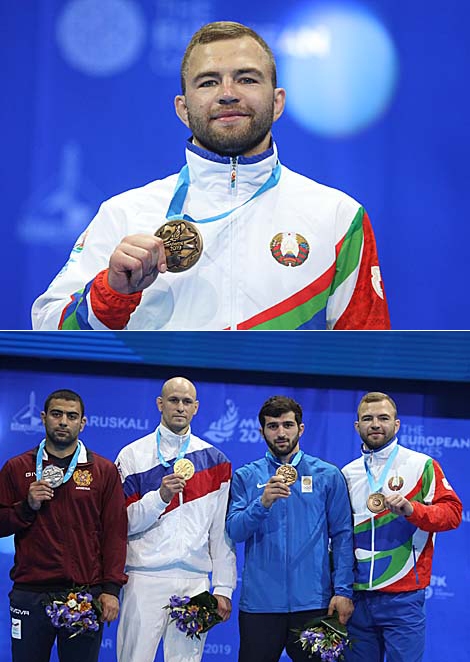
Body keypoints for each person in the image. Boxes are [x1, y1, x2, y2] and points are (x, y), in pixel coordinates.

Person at [31, 21, 390, 331]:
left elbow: (369, 352)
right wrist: (112, 292)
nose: (228, 94)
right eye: (208, 83)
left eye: (247, 79)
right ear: (183, 109)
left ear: (277, 102)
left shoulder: (338, 217)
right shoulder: (124, 214)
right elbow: (46, 328)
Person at [0, 389, 128, 662]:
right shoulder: (16, 467)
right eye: (56, 414)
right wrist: (26, 506)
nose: (63, 422)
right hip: (30, 594)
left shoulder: (103, 471)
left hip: (82, 594)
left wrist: (110, 590)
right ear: (44, 418)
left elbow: (115, 534)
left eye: (72, 416)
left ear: (83, 423)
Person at [115, 376, 237, 662]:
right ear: (160, 404)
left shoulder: (216, 460)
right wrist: (160, 497)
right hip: (144, 578)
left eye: (186, 402)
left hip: (194, 581)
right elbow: (122, 524)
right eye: (173, 400)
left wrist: (223, 587)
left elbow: (220, 532)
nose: (180, 407)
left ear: (196, 408)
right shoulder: (132, 455)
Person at [226, 395, 354, 662]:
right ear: (261, 431)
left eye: (287, 425)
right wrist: (261, 504)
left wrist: (342, 591)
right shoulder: (246, 476)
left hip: (315, 603)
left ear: (301, 428)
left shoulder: (328, 475)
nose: (281, 433)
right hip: (260, 605)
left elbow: (342, 536)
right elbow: (234, 532)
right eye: (273, 426)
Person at [342, 391, 462, 662]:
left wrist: (412, 509)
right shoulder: (347, 473)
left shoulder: (421, 465)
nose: (375, 424)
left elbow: (453, 514)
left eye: (383, 418)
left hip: (403, 597)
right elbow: (338, 537)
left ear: (397, 425)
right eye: (368, 418)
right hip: (357, 598)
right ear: (357, 426)